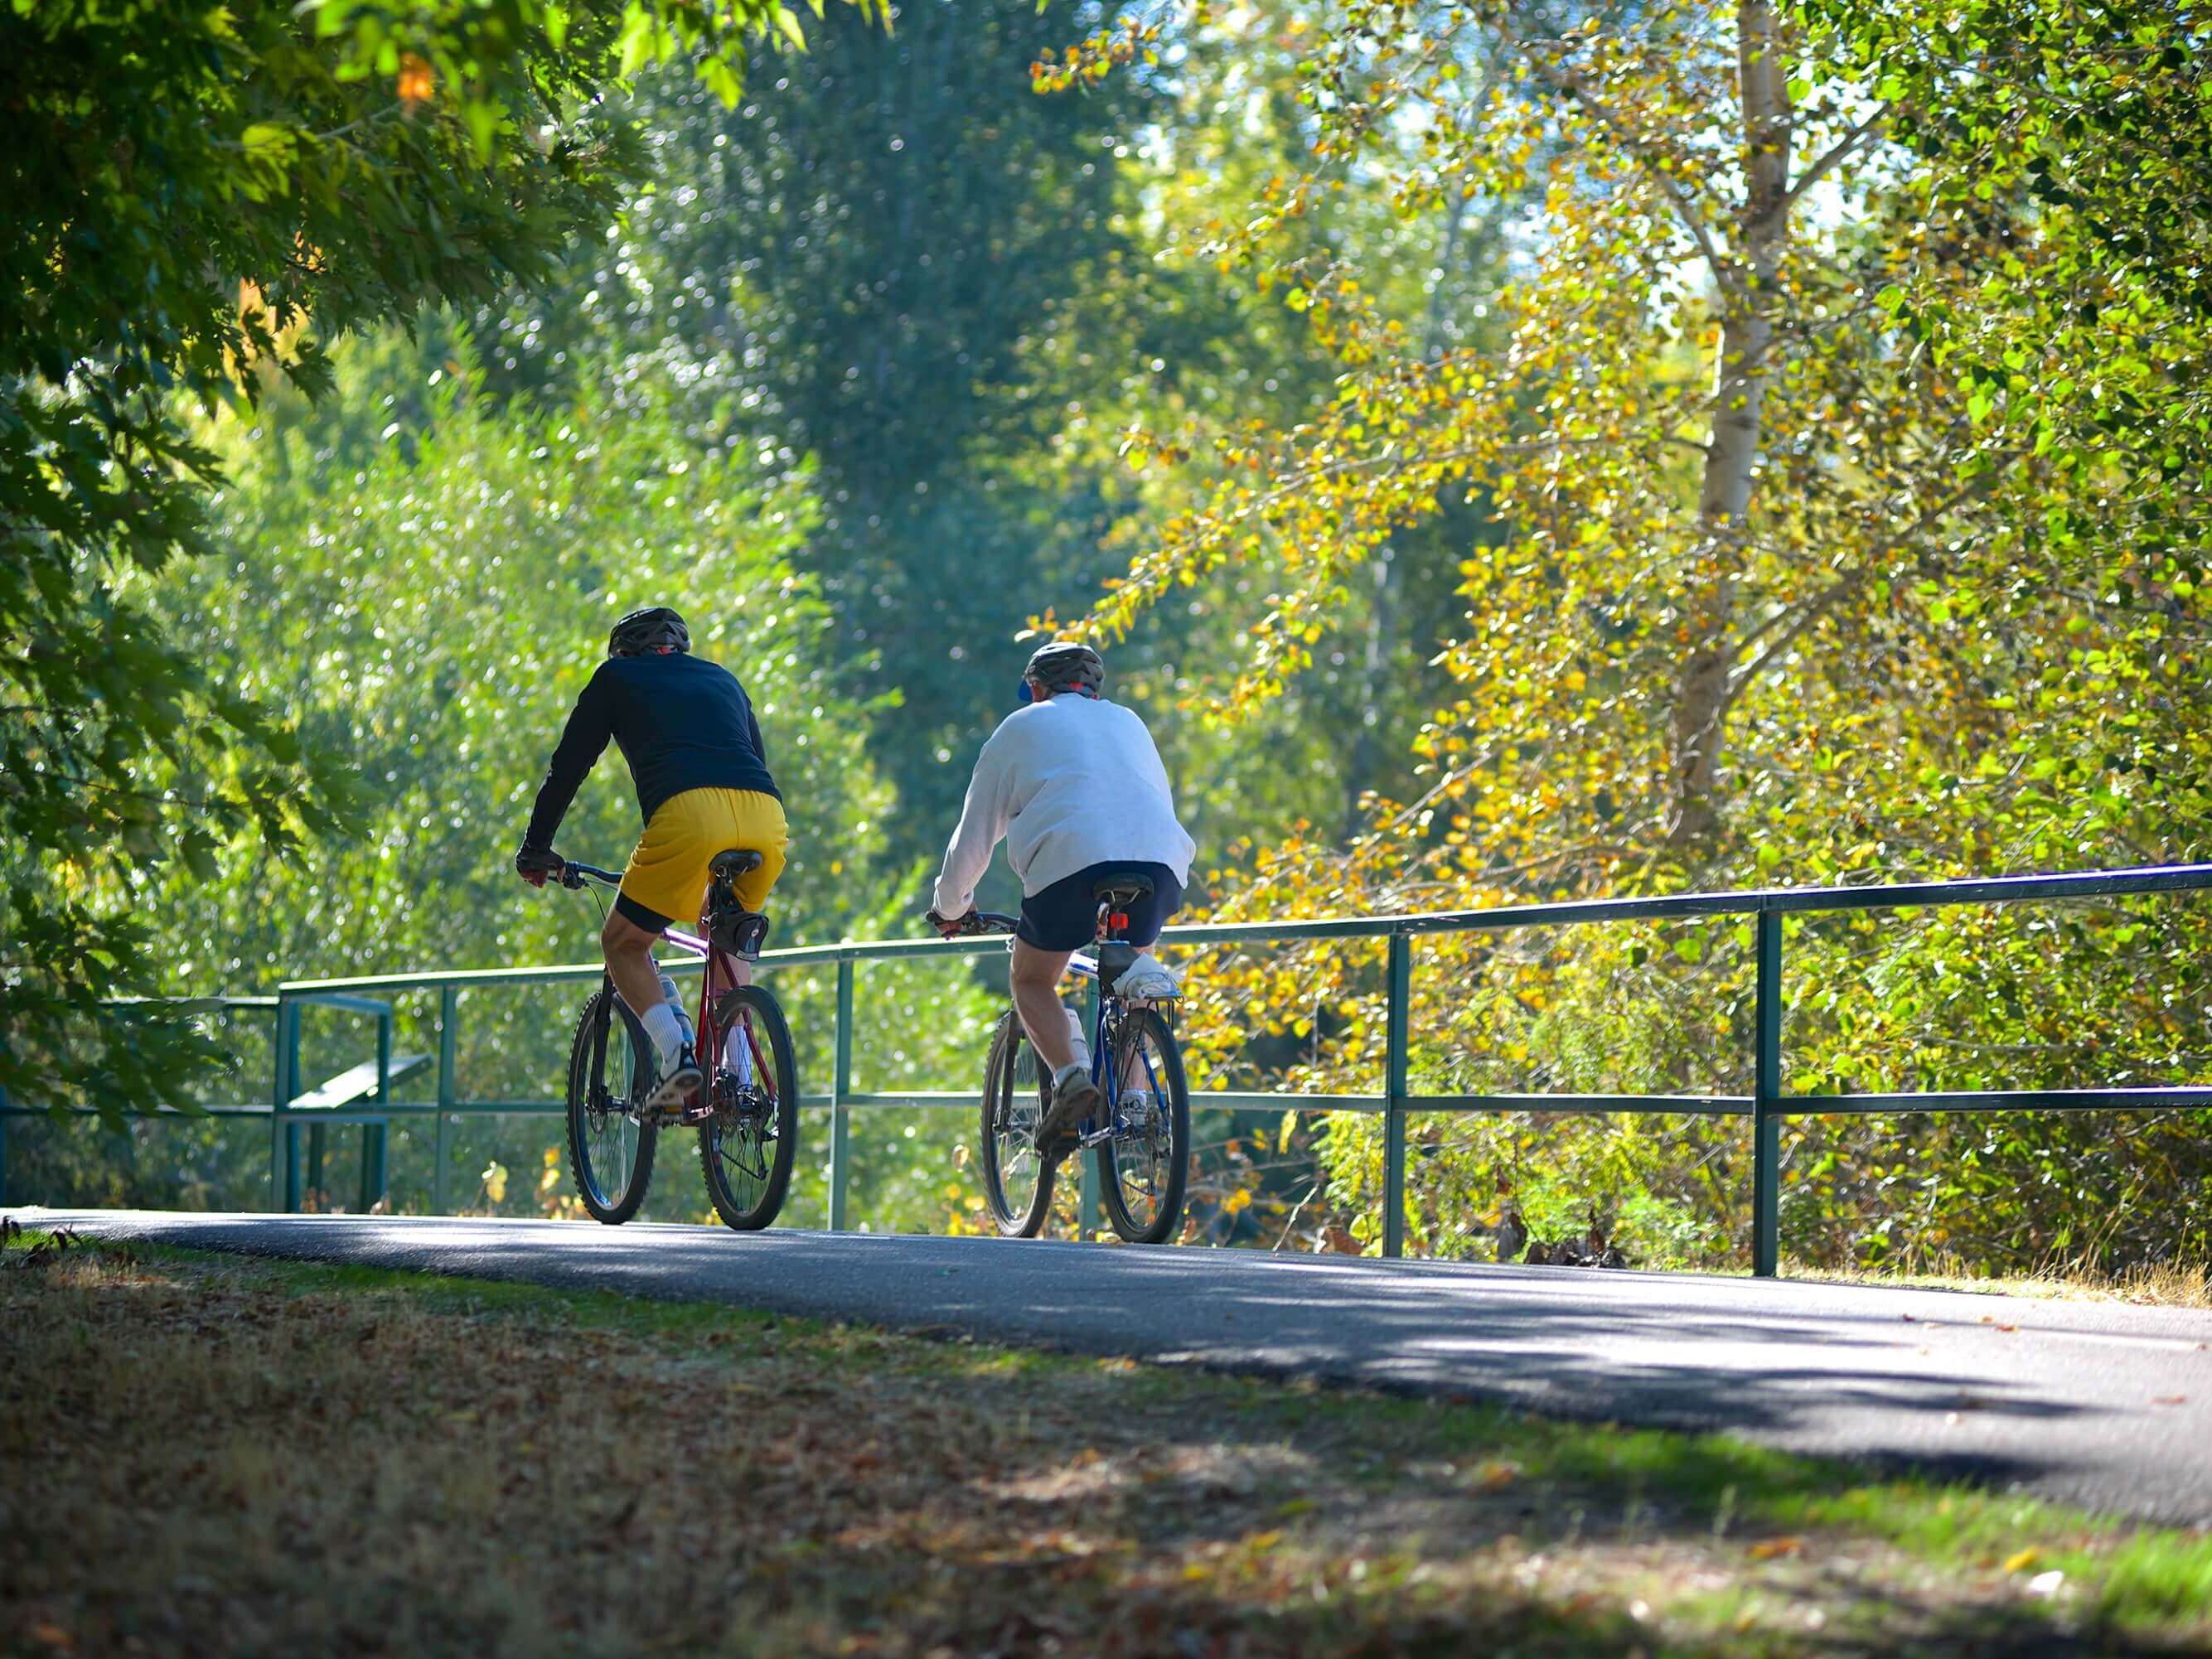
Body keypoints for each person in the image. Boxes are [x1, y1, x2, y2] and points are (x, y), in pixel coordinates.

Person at [927, 640, 1194, 1163]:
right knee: (1134, 966)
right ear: (1095, 687)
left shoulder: (1021, 727)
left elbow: (974, 837)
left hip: (1072, 864)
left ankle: (1072, 1080)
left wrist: (951, 907)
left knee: (1031, 979)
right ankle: (1137, 1100)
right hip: (1160, 863)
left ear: (1034, 688)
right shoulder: (1130, 723)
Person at [515, 607, 787, 1112]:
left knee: (622, 943)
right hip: (765, 817)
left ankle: (675, 1055)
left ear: (624, 651)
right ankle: (739, 1076)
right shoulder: (722, 678)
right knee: (722, 929)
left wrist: (536, 846)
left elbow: (568, 768)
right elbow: (756, 757)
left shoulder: (616, 677)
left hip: (687, 816)